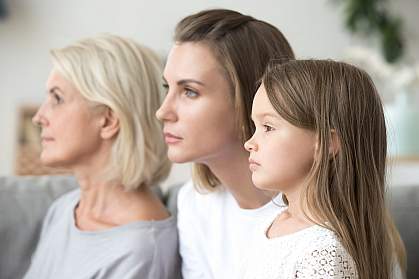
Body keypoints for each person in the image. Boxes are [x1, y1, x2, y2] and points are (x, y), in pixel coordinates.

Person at [24, 34, 180, 279]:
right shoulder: (65, 209)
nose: (39, 117)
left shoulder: (143, 250)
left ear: (107, 120)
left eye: (57, 98)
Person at [155, 9, 295, 279]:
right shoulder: (195, 204)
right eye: (167, 88)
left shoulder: (320, 222)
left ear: (252, 98)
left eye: (190, 91)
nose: (163, 111)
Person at [242, 59, 406, 279]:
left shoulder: (324, 255)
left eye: (268, 127)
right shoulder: (271, 223)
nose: (249, 143)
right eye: (255, 126)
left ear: (327, 143)